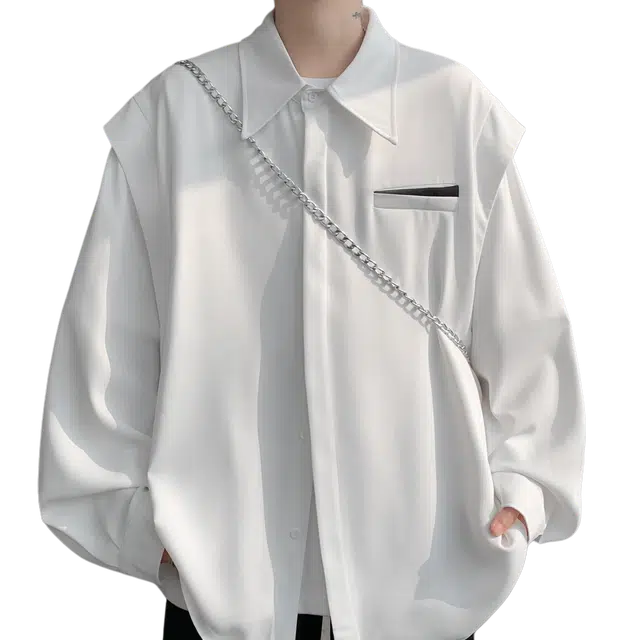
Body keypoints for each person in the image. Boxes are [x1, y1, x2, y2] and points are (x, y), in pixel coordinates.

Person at [37, 1, 586, 639]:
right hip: (216, 591)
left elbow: (526, 337)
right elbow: (109, 344)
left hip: (434, 581)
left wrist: (524, 494)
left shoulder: (454, 109)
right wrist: (140, 530)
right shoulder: (171, 116)